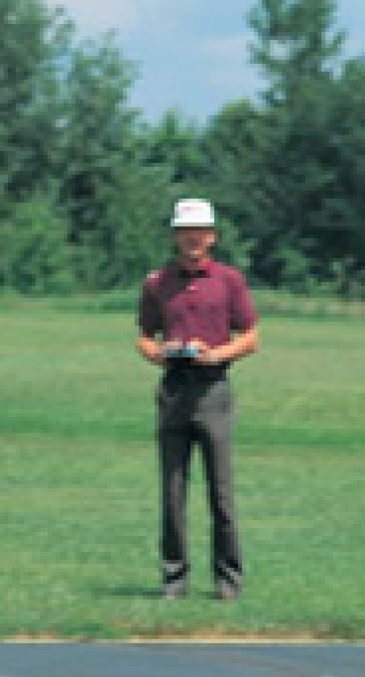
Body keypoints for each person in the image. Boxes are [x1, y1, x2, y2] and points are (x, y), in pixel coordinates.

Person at [136, 198, 259, 601]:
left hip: (213, 389)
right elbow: (143, 335)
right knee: (171, 489)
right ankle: (175, 578)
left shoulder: (229, 281)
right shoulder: (157, 283)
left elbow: (250, 337)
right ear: (175, 236)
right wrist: (158, 354)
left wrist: (217, 353)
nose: (193, 238)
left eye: (201, 231)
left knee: (220, 492)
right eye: (186, 231)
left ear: (212, 237)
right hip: (173, 387)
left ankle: (228, 579)